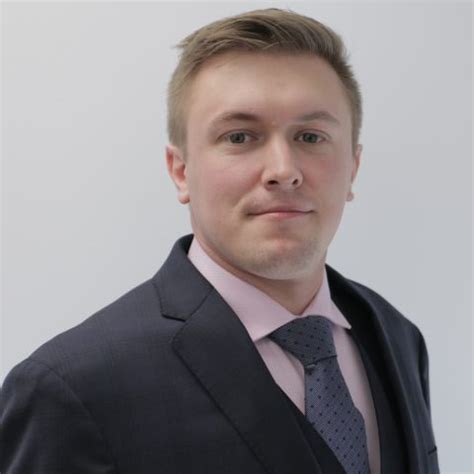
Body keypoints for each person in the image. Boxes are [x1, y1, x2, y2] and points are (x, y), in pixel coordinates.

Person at [0, 8, 439, 474]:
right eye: (240, 136)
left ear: (353, 167)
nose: (283, 170)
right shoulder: (70, 390)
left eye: (311, 136)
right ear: (180, 170)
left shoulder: (397, 338)